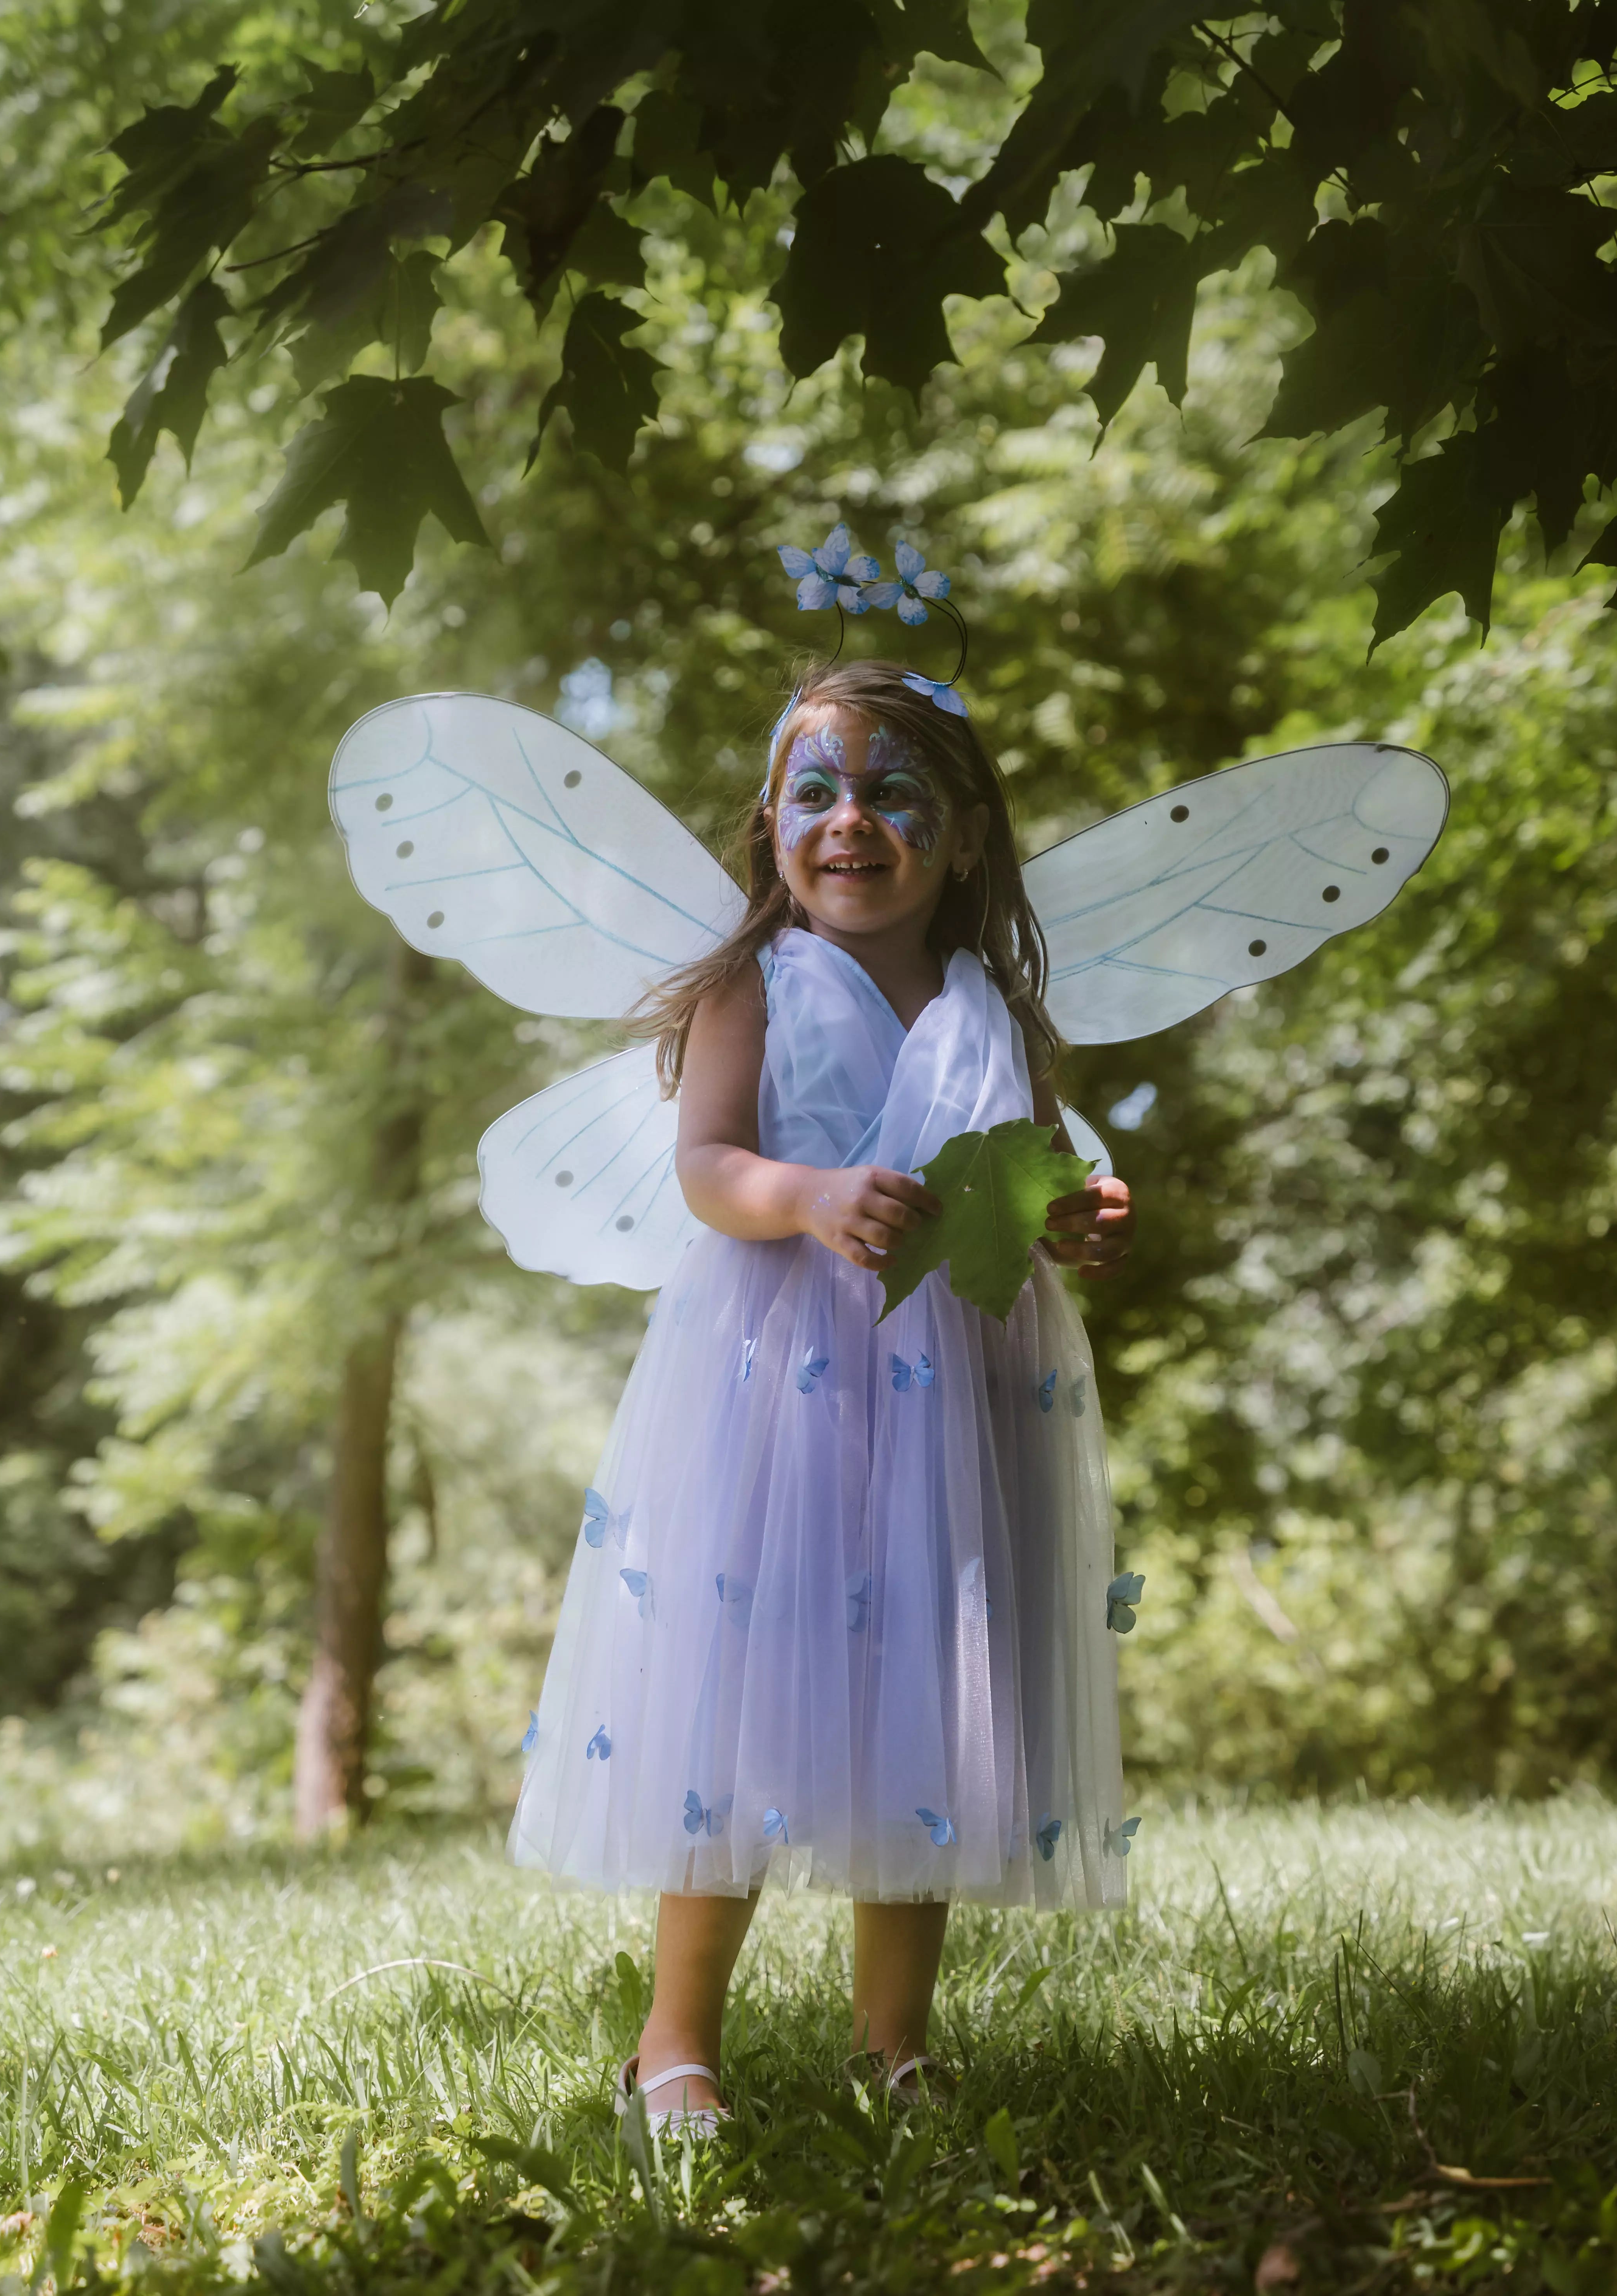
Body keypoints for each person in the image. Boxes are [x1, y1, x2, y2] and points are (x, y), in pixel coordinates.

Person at [508, 655, 1135, 2131]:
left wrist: (1072, 1216)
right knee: (730, 1706)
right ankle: (674, 2040)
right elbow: (710, 1164)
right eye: (818, 790)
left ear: (965, 832)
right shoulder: (754, 983)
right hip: (777, 1393)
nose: (851, 819)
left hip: (956, 1407)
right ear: (773, 823)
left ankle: (892, 2038)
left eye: (895, 792)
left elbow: (1029, 1172)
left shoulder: (1000, 1010)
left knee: (930, 1695)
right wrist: (806, 1197)